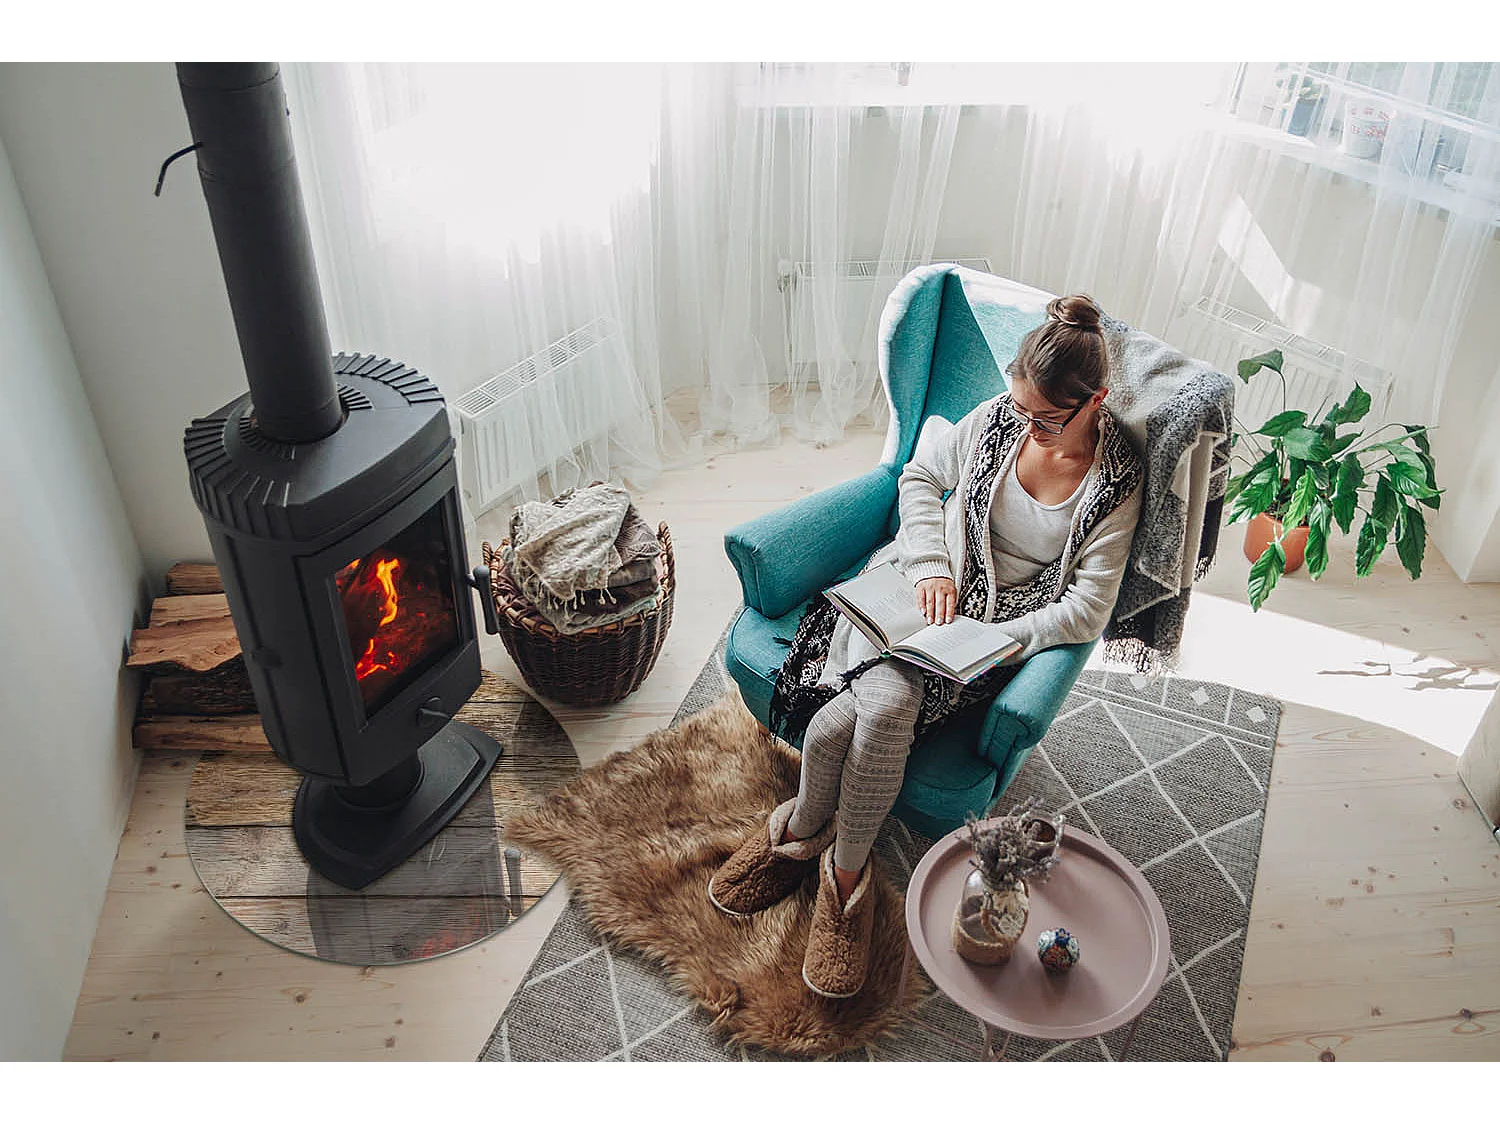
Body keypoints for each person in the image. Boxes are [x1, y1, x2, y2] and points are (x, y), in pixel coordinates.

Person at [708, 293, 1145, 999]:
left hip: (991, 633)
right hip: (917, 583)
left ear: (1094, 400)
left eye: (1045, 419)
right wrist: (932, 566)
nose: (1026, 429)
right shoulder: (1003, 417)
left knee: (853, 722)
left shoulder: (1116, 482)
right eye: (1019, 408)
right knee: (879, 711)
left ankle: (811, 851)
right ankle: (838, 875)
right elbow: (919, 476)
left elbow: (1087, 608)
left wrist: (1001, 641)